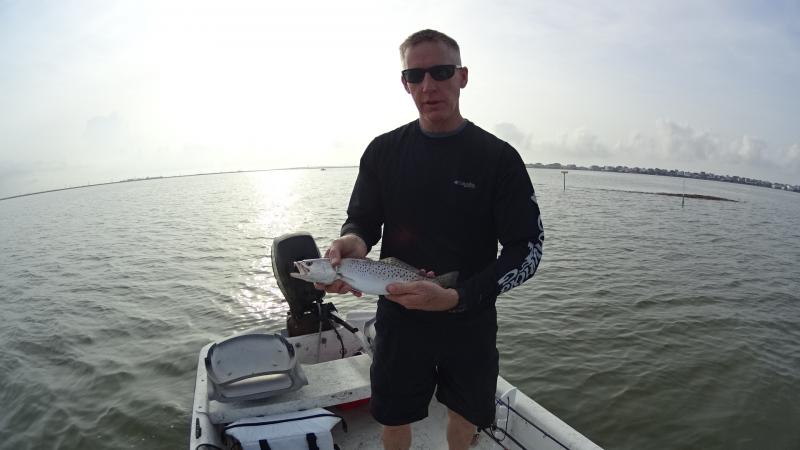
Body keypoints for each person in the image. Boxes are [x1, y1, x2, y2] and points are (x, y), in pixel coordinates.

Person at [318, 29, 544, 450]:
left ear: (462, 76)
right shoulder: (383, 151)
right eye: (415, 75)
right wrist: (350, 243)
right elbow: (362, 223)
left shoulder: (498, 158)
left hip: (470, 319)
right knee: (393, 418)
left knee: (464, 416)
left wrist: (457, 297)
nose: (428, 86)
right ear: (405, 83)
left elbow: (527, 249)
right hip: (400, 319)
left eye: (440, 72)